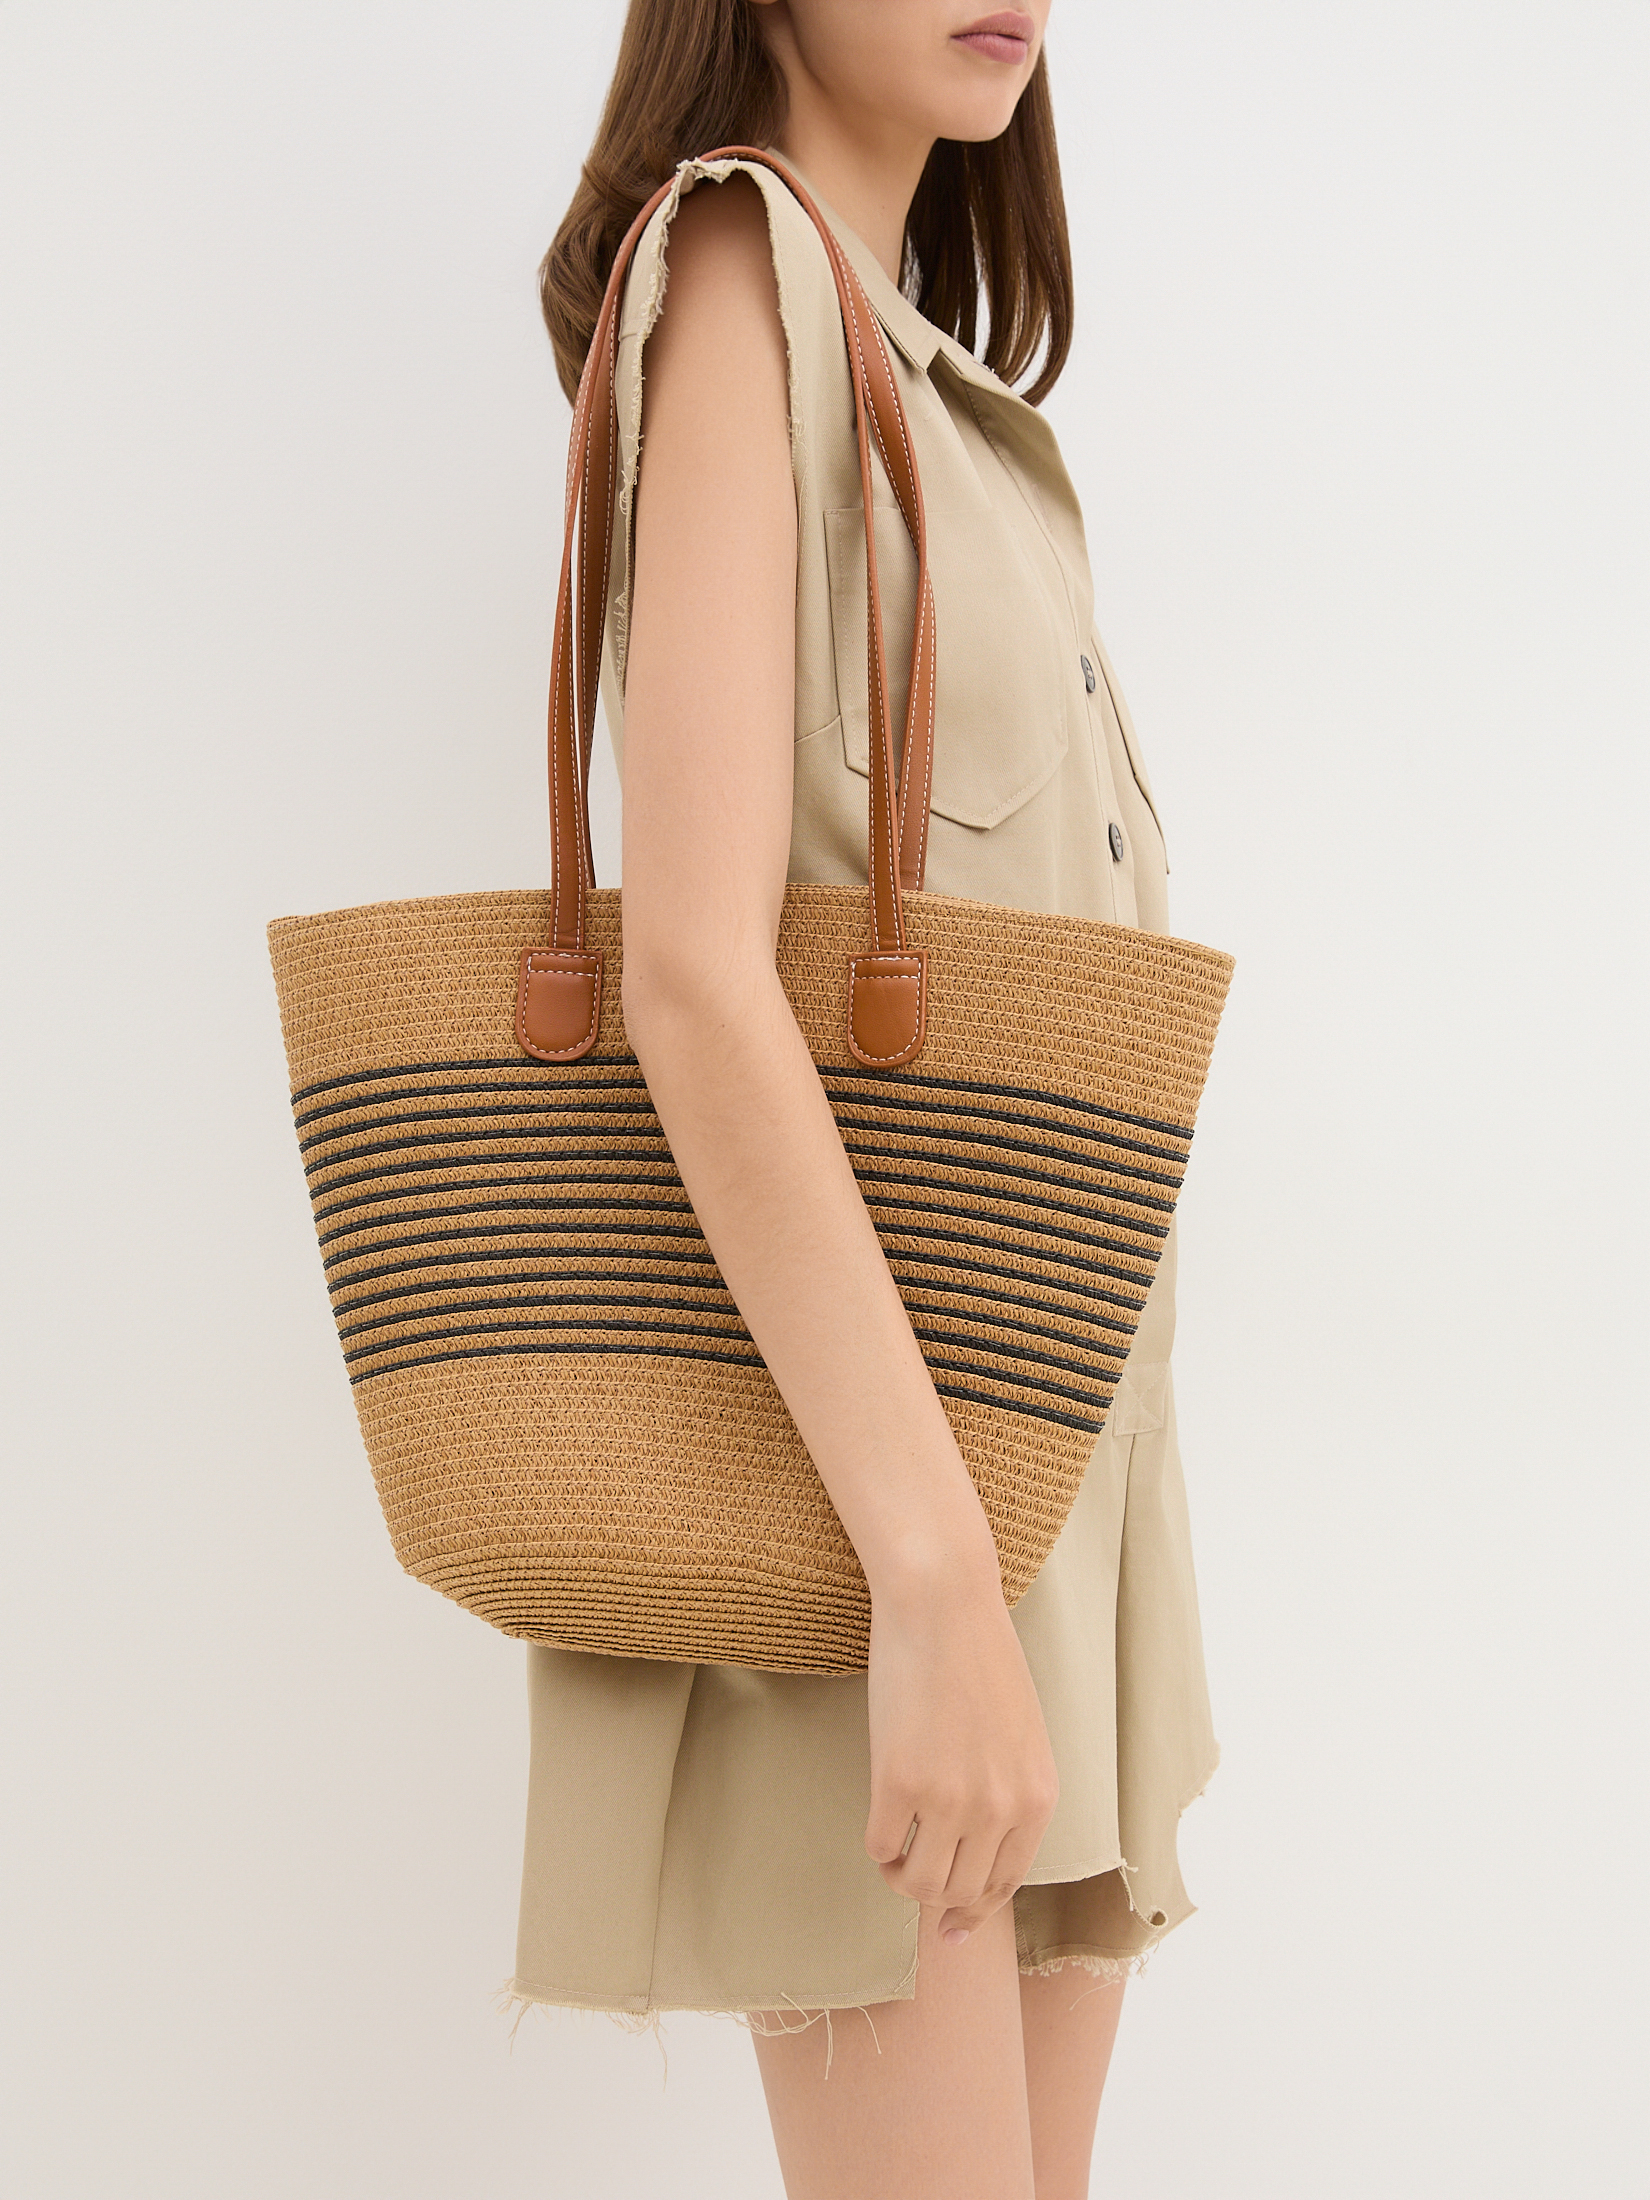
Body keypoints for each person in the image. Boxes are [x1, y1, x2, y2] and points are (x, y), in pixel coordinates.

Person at [511, 6, 1217, 2194]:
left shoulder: (937, 387)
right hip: (881, 1508)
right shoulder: (742, 274)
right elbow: (692, 970)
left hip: (1043, 1472)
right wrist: (928, 1581)